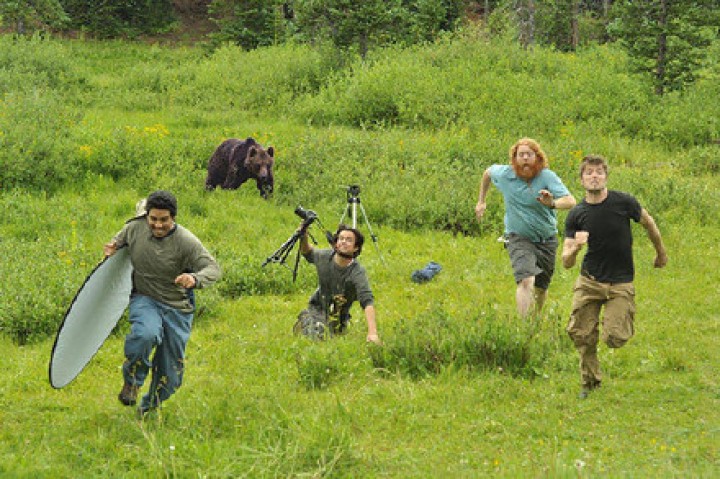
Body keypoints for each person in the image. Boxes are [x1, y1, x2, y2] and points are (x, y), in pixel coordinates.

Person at [103, 190, 221, 416]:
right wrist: (112, 250)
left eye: (163, 220)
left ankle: (147, 410)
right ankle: (133, 382)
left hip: (177, 307)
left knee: (170, 375)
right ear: (147, 216)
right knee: (145, 335)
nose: (157, 225)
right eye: (153, 219)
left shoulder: (186, 242)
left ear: (173, 218)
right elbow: (117, 244)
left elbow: (213, 269)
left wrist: (194, 279)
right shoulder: (134, 229)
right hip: (145, 298)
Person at [562, 155, 667, 398]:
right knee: (581, 333)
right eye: (589, 172)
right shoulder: (577, 214)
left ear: (606, 177)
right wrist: (575, 249)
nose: (594, 176)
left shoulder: (624, 202)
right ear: (582, 180)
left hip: (620, 281)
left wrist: (660, 253)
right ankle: (590, 382)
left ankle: (621, 318)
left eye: (599, 172)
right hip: (589, 281)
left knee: (614, 337)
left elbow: (649, 223)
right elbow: (566, 262)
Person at [475, 138, 576, 317]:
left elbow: (570, 201)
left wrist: (551, 203)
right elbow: (488, 173)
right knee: (526, 280)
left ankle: (535, 319)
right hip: (518, 236)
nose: (525, 159)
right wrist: (481, 201)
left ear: (537, 157)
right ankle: (522, 328)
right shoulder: (506, 174)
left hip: (546, 238)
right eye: (520, 155)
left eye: (529, 155)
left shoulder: (547, 176)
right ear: (514, 159)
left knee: (541, 288)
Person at [294, 223, 380, 344]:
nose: (344, 242)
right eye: (341, 238)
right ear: (336, 243)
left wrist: (372, 333)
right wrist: (303, 236)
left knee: (334, 336)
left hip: (340, 317)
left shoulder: (357, 272)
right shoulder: (324, 257)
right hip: (317, 308)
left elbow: (367, 301)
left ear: (356, 248)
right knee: (317, 333)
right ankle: (306, 321)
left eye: (349, 240)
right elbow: (307, 252)